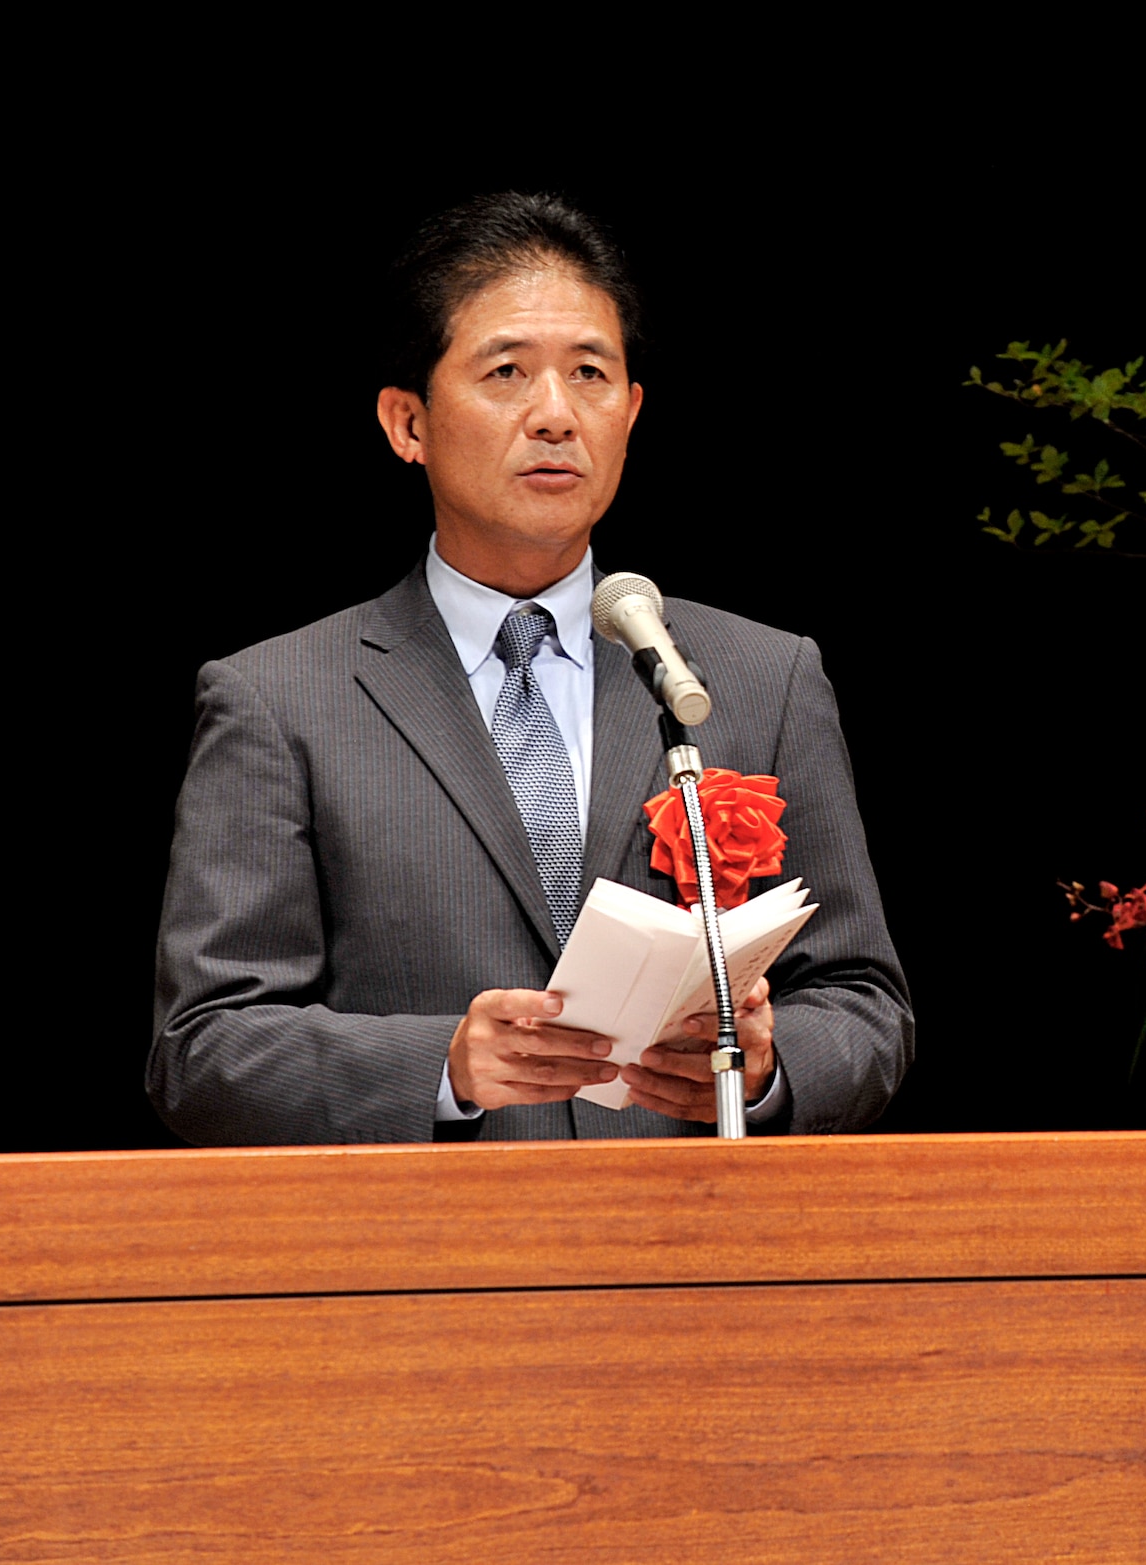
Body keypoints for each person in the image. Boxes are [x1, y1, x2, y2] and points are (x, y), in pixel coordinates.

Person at [148, 193, 912, 1143]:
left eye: (590, 373)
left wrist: (761, 1066)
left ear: (631, 413)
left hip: (690, 1226)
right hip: (435, 1235)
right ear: (408, 422)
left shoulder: (763, 679)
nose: (555, 414)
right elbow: (205, 1048)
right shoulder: (281, 701)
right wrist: (443, 1066)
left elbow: (863, 1003)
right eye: (506, 371)